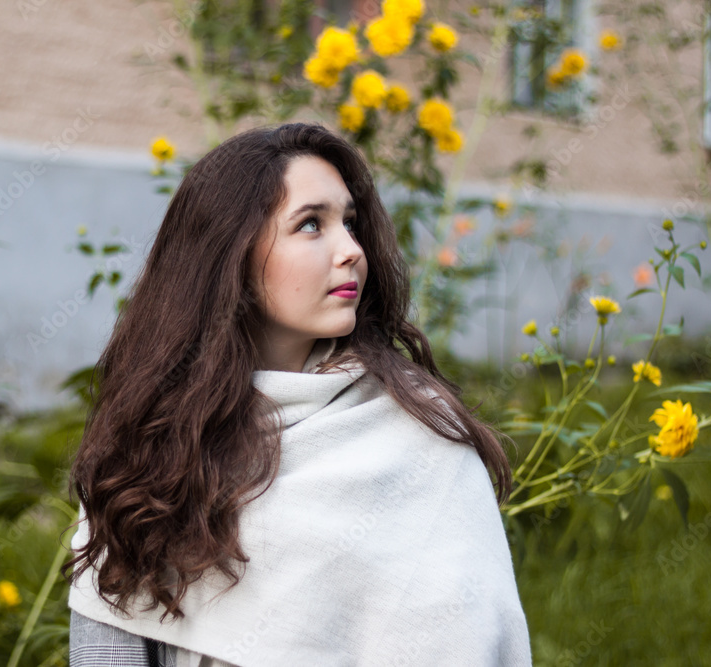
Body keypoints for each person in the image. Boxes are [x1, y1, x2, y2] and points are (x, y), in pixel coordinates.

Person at [63, 122, 531, 666]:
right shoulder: (151, 444)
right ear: (230, 255)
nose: (351, 250)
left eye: (350, 223)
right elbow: (106, 646)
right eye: (311, 224)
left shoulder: (423, 442)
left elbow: (464, 637)